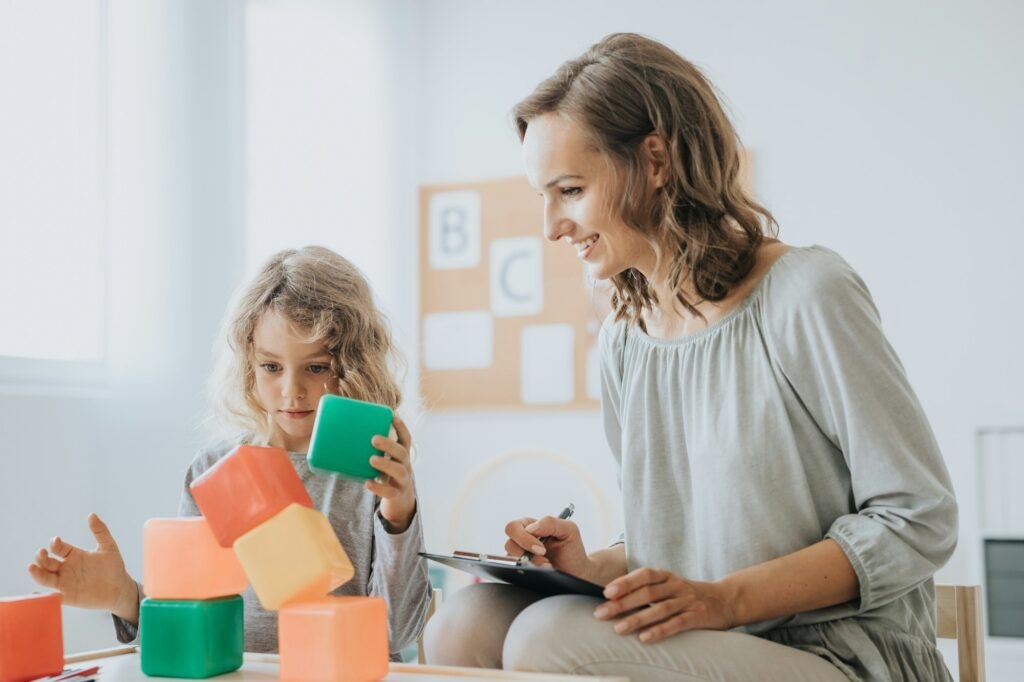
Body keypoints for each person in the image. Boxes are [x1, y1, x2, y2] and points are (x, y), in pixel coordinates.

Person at [424, 33, 957, 682]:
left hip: (834, 655)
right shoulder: (625, 341)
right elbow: (684, 550)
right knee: (461, 623)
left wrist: (725, 601)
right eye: (543, 196)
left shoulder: (804, 294)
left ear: (653, 161)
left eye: (568, 190)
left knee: (544, 640)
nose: (551, 227)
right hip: (710, 642)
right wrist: (595, 569)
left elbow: (919, 518)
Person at [28, 246, 431, 658]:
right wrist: (125, 597)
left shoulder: (375, 478)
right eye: (271, 367)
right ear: (248, 365)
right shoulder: (212, 470)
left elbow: (394, 635)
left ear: (352, 365)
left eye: (316, 367)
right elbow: (188, 629)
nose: (291, 390)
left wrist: (398, 515)